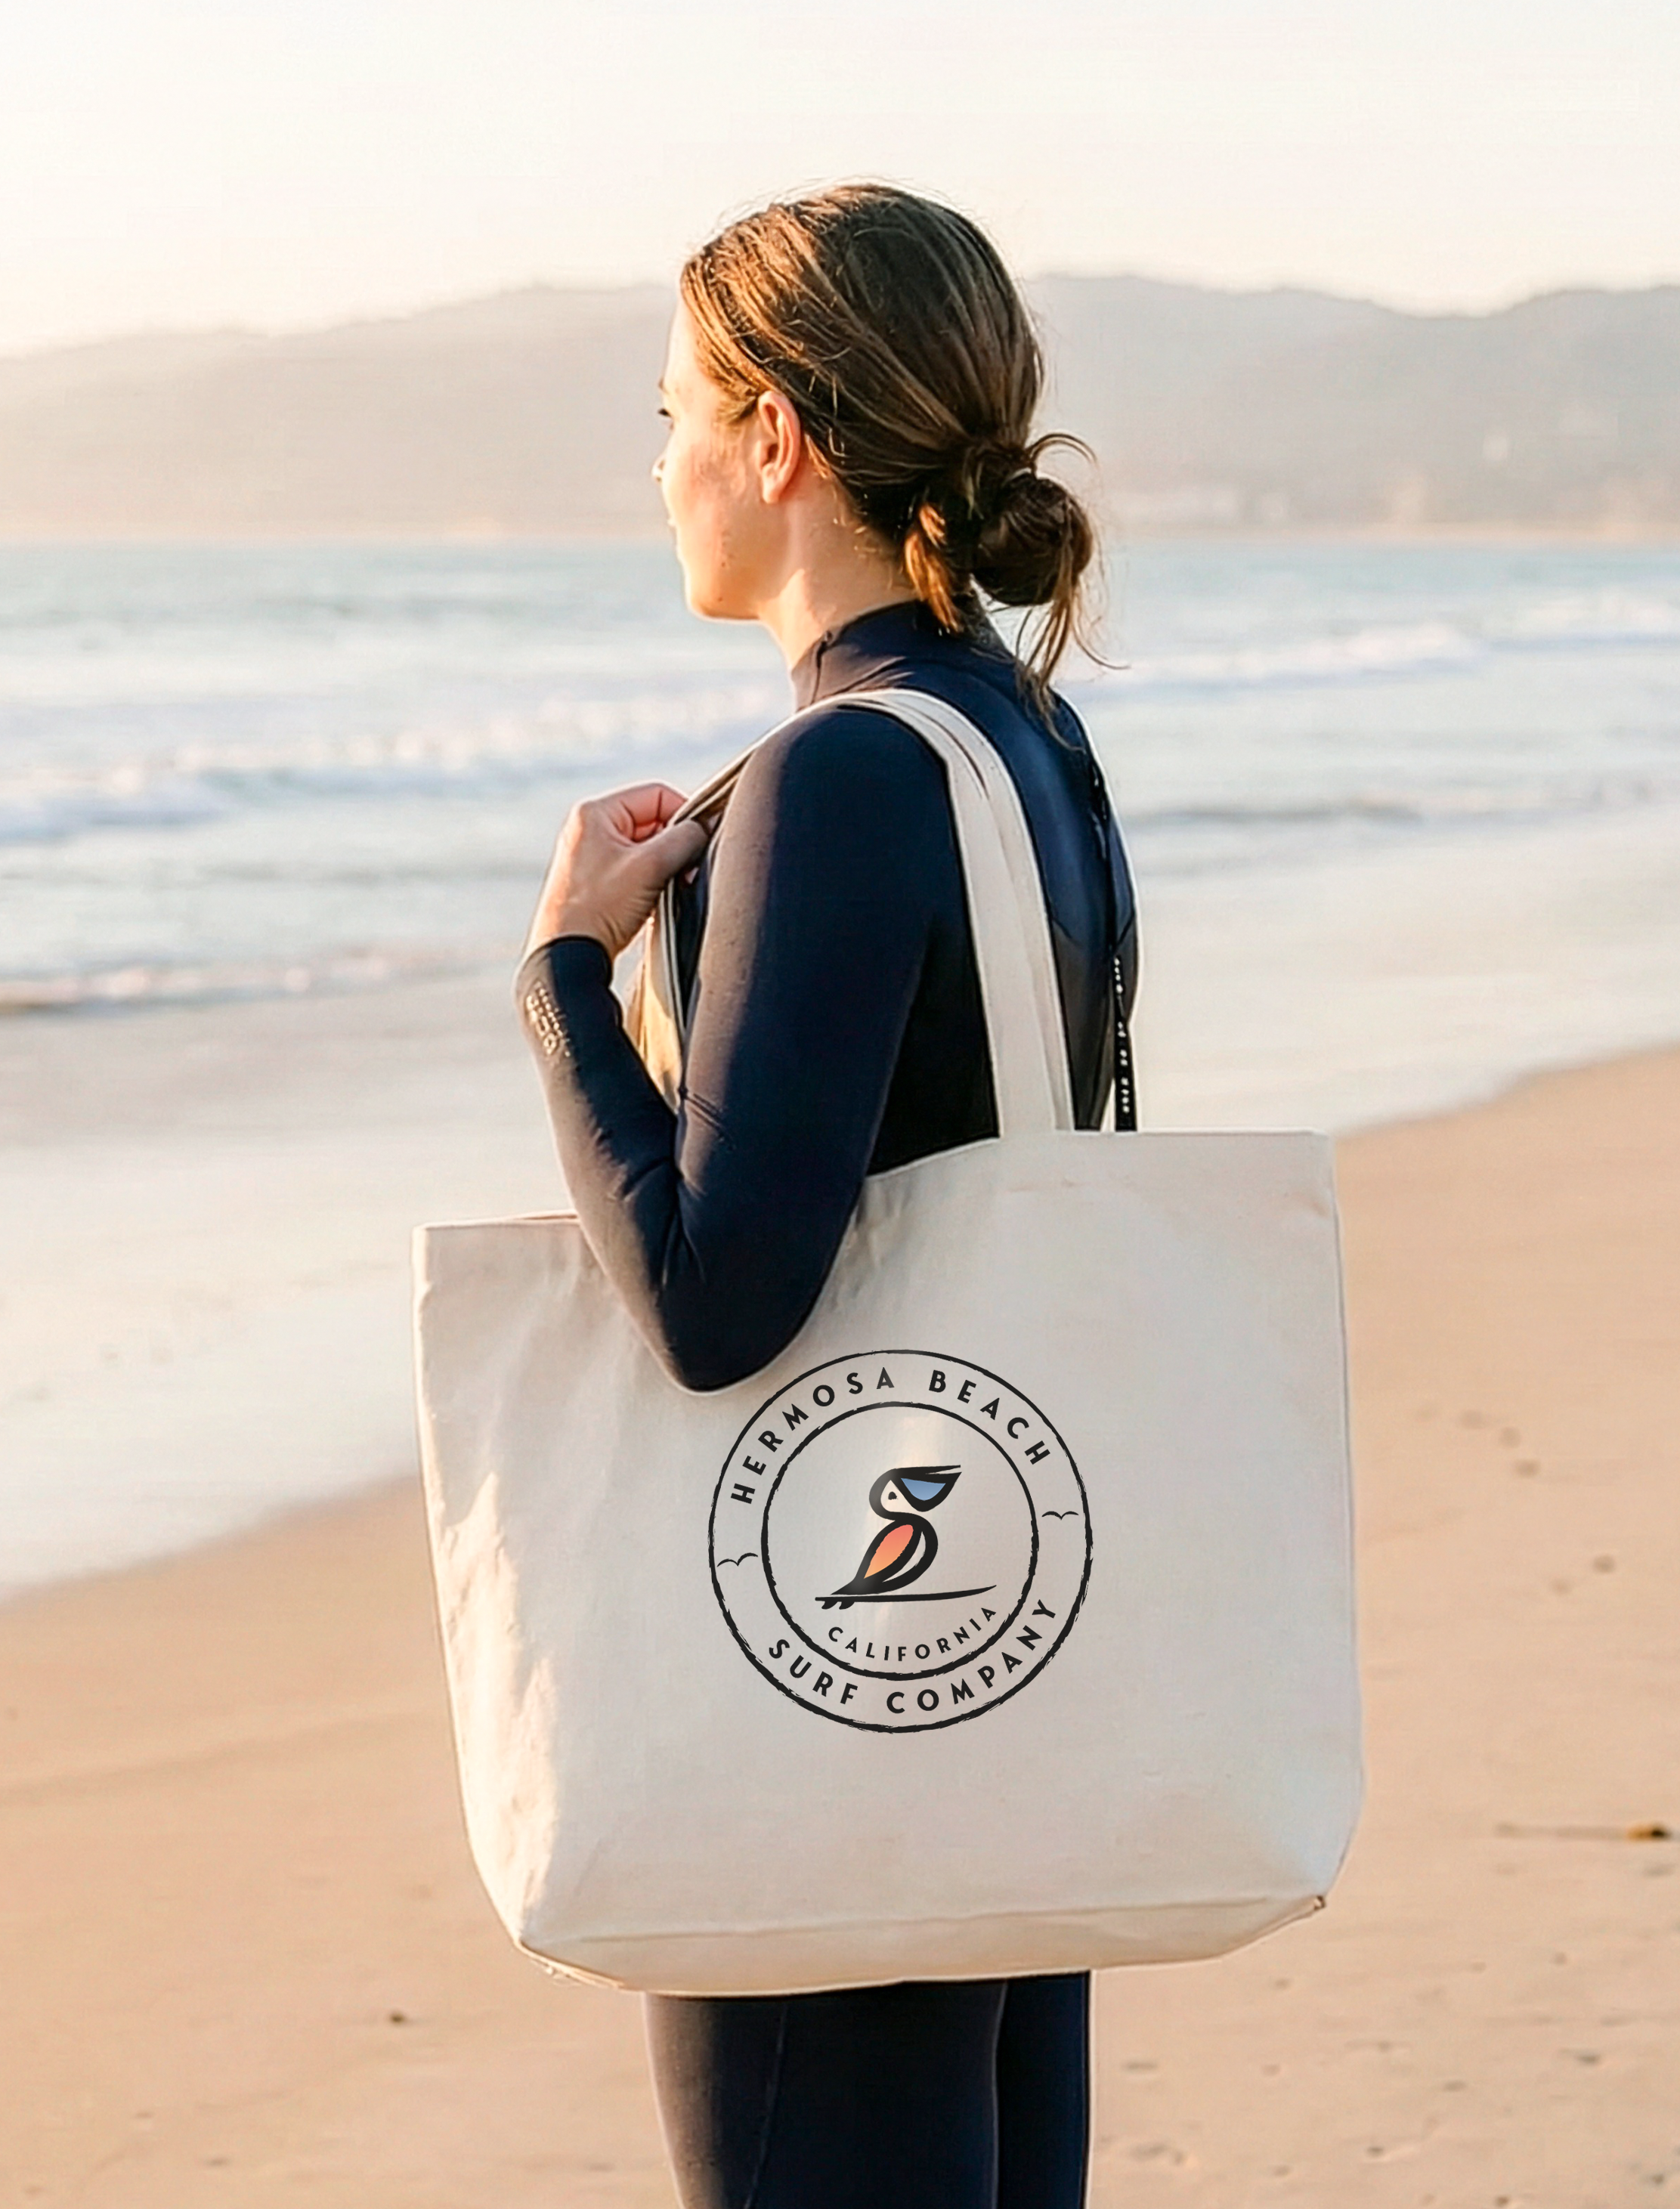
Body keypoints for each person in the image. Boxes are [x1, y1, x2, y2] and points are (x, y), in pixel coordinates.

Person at [513, 183, 1137, 2209]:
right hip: (1007, 1655)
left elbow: (715, 1305)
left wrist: (564, 993)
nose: (663, 463)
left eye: (676, 410)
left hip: (824, 1671)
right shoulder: (1025, 739)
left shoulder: (840, 778)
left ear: (776, 438)